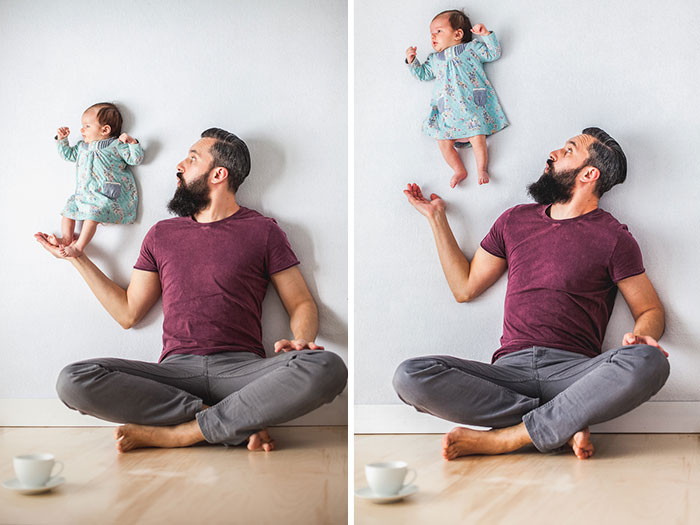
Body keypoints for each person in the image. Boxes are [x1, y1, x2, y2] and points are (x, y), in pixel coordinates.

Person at [34, 128, 347, 453]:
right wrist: (78, 257)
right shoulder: (162, 234)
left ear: (219, 174)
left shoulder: (263, 231)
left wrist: (301, 339)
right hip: (175, 374)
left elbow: (301, 303)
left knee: (327, 366)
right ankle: (225, 424)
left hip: (242, 371)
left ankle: (180, 434)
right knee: (74, 379)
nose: (180, 165)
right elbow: (128, 313)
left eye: (193, 158)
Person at [394, 127, 669, 460]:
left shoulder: (614, 238)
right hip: (508, 374)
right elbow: (464, 287)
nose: (553, 153)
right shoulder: (514, 221)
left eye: (568, 150)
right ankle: (561, 423)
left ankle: (507, 438)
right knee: (410, 376)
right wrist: (436, 218)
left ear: (589, 174)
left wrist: (641, 337)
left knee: (649, 361)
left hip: (574, 374)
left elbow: (650, 310)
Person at [406, 9, 508, 188]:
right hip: (448, 114)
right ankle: (458, 169)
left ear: (458, 34)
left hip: (472, 108)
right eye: (431, 34)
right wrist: (412, 61)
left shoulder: (471, 49)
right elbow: (423, 74)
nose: (433, 37)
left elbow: (493, 53)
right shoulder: (434, 60)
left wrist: (486, 35)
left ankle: (482, 168)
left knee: (478, 137)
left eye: (438, 31)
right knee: (443, 142)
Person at [52, 102, 143, 258]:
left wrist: (132, 143)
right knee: (68, 210)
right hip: (83, 194)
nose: (82, 130)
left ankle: (79, 246)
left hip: (105, 195)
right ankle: (66, 238)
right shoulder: (81, 148)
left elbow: (135, 159)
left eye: (87, 126)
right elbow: (67, 155)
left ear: (105, 129)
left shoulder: (116, 146)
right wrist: (62, 140)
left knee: (92, 216)